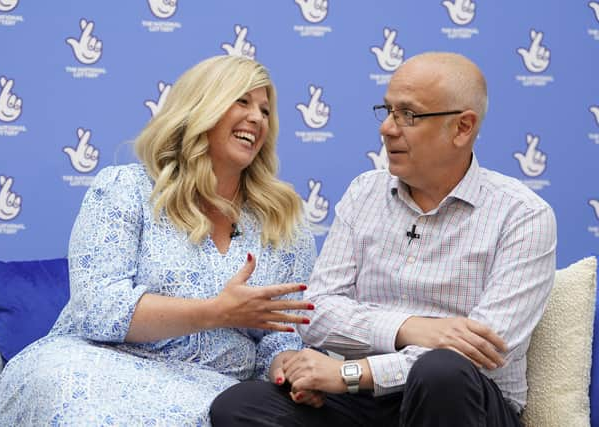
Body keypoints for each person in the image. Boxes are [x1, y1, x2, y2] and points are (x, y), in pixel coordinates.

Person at [210, 52, 557, 426]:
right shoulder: (365, 193)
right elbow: (318, 312)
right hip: (366, 402)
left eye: (408, 115)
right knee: (240, 405)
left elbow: (485, 352)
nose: (387, 128)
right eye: (387, 110)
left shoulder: (523, 215)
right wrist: (408, 327)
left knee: (441, 371)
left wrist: (351, 374)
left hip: (462, 402)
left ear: (462, 128)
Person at [0, 55, 318, 426]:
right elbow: (99, 308)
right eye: (241, 101)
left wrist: (287, 370)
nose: (257, 118)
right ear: (200, 107)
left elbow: (282, 335)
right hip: (100, 368)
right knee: (67, 390)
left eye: (265, 110)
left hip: (216, 390)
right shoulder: (126, 189)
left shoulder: (282, 221)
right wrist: (216, 311)